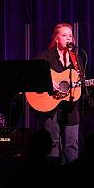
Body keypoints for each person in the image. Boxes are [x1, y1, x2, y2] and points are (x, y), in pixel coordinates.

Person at [34, 23, 81, 163]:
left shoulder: (76, 59)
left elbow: (79, 83)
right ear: (56, 38)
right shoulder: (46, 56)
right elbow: (32, 73)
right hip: (50, 109)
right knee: (52, 144)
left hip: (70, 109)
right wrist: (48, 82)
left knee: (72, 147)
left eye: (70, 36)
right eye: (64, 35)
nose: (68, 38)